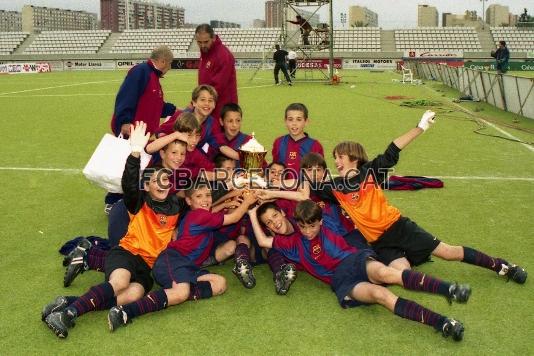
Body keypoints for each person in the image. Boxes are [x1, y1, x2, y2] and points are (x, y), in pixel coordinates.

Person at [310, 110, 527, 284]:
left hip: (399, 228)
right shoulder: (335, 186)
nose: (336, 161)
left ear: (354, 158)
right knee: (401, 274)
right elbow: (308, 186)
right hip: (379, 242)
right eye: (334, 158)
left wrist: (420, 127)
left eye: (339, 156)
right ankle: (444, 288)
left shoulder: (370, 172)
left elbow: (392, 150)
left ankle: (501, 266)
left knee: (448, 252)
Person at [42, 122, 187, 338]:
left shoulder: (176, 205)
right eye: (154, 181)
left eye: (164, 179)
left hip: (146, 267)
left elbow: (200, 202)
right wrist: (135, 153)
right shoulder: (139, 202)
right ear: (146, 186)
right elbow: (129, 183)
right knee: (119, 282)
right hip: (126, 253)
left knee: (132, 294)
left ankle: (68, 302)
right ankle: (68, 315)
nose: (161, 184)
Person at [249, 200, 470, 341]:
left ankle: (448, 289)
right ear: (297, 224)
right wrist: (251, 212)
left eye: (312, 226)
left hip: (355, 261)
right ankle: (442, 323)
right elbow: (261, 240)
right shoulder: (292, 244)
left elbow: (306, 198)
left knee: (385, 274)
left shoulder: (329, 222)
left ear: (320, 221)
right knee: (380, 295)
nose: (308, 231)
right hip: (341, 281)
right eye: (303, 226)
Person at [106, 184, 258, 331]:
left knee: (220, 283)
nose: (205, 199)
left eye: (208, 195)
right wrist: (247, 201)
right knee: (181, 292)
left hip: (187, 266)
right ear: (189, 201)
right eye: (199, 196)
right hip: (173, 260)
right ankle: (127, 311)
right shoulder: (200, 215)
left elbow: (212, 212)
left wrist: (231, 198)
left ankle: (168, 293)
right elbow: (233, 218)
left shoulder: (197, 214)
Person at [105, 45, 177, 213]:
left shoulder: (153, 77)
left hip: (145, 135)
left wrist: (176, 110)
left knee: (138, 167)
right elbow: (126, 95)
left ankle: (130, 198)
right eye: (170, 64)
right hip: (133, 132)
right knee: (125, 165)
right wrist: (124, 121)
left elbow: (157, 106)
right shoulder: (141, 71)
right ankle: (112, 200)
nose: (170, 68)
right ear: (163, 61)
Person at [195, 24, 237, 119]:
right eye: (199, 42)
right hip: (209, 107)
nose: (202, 45)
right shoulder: (206, 52)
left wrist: (198, 102)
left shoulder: (223, 55)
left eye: (206, 42)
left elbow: (217, 88)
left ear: (213, 38)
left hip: (222, 110)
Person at [272, 103, 324, 175]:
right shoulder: (279, 142)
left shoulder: (315, 145)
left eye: (298, 120)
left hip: (305, 186)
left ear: (306, 122)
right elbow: (274, 169)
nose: (294, 123)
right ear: (285, 121)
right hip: (281, 186)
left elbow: (319, 174)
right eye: (290, 119)